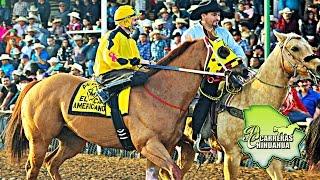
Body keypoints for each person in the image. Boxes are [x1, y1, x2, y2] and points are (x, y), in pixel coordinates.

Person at [181, 0, 247, 152]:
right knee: (208, 95)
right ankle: (199, 136)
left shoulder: (224, 33)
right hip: (197, 77)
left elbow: (238, 52)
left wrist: (235, 65)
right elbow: (183, 57)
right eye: (214, 15)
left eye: (218, 15)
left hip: (224, 76)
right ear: (203, 16)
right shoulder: (191, 34)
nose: (217, 18)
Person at [93, 5, 150, 104]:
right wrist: (132, 62)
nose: (135, 23)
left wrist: (145, 63)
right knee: (141, 77)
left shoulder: (131, 40)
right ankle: (106, 91)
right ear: (126, 21)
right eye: (134, 20)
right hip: (107, 73)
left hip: (121, 71)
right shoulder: (112, 36)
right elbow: (112, 60)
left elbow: (136, 59)